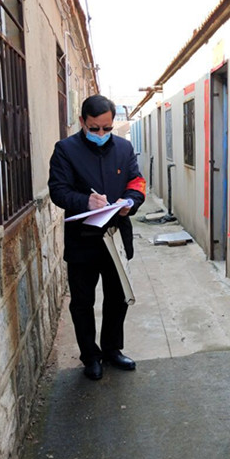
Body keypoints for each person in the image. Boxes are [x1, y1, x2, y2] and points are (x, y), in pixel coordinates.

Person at [48, 95, 146, 381]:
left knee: (117, 298)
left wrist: (130, 201)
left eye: (107, 128)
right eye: (94, 128)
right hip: (83, 240)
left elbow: (137, 181)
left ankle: (113, 349)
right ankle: (90, 356)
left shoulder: (124, 148)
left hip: (116, 237)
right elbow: (58, 191)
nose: (101, 134)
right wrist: (85, 202)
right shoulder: (65, 150)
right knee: (82, 302)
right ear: (82, 122)